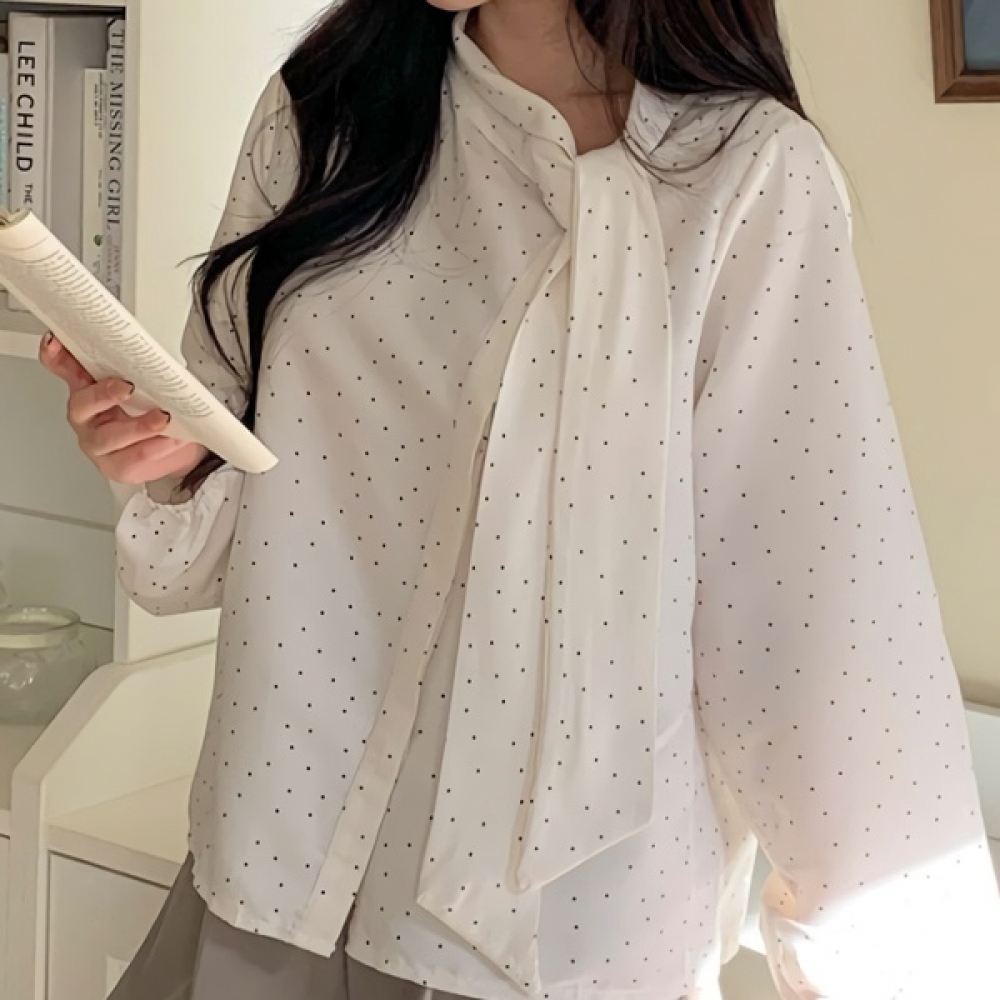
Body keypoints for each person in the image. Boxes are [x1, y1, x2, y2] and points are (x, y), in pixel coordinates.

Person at [40, 0, 1000, 998]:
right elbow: (212, 533)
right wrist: (159, 461)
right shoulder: (324, 108)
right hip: (271, 881)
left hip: (555, 946)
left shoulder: (745, 173)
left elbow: (813, 624)